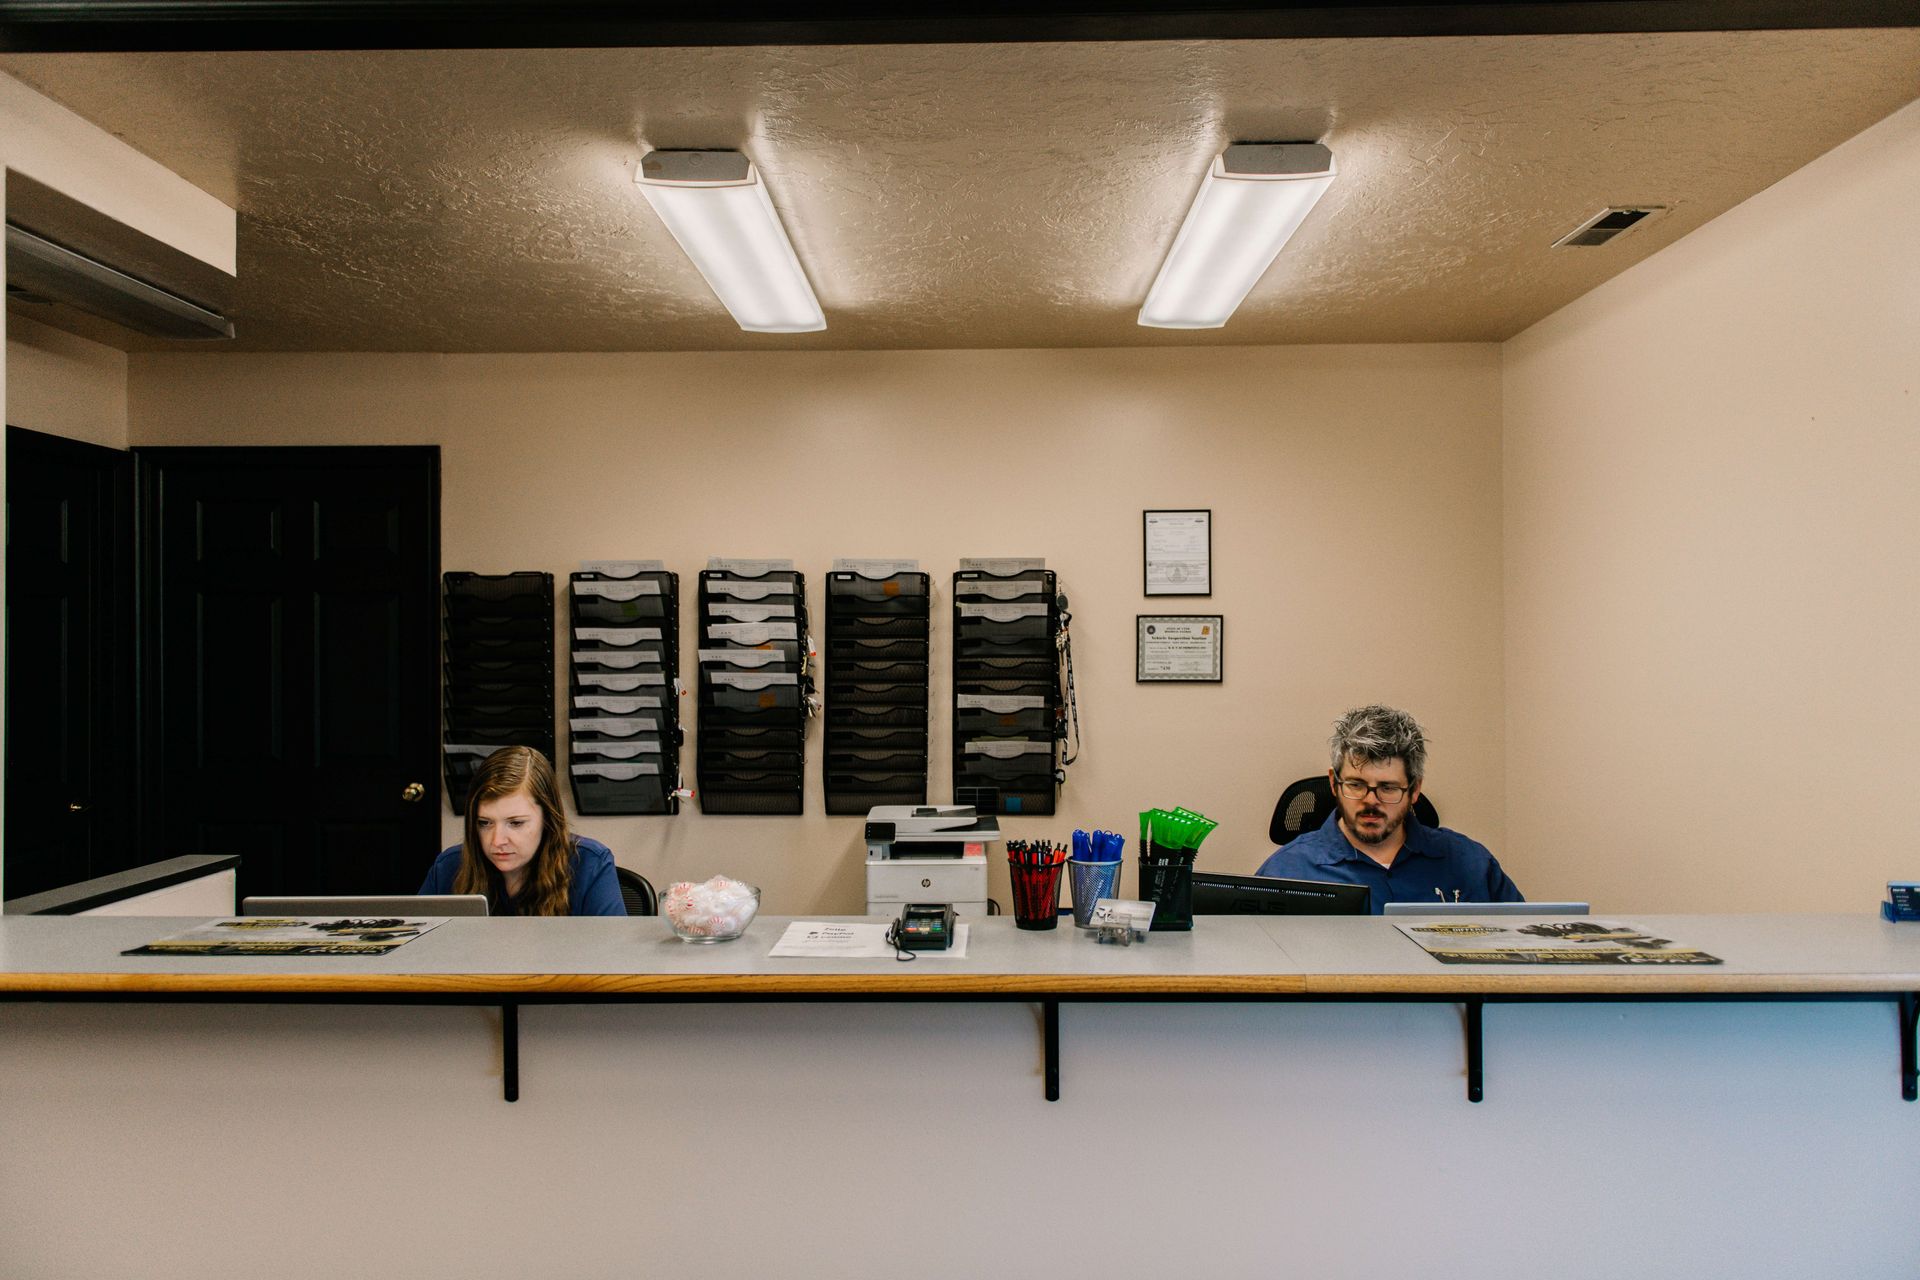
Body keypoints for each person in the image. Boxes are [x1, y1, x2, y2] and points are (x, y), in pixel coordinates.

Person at [1256, 704, 1521, 914]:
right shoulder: (1288, 870)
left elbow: (1523, 945)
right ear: (1334, 784)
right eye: (1357, 785)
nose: (1371, 801)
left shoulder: (1469, 863)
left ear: (1415, 789)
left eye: (1388, 788)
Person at [419, 745, 625, 916]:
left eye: (516, 823)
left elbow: (614, 958)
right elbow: (414, 952)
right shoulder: (450, 866)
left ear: (547, 819)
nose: (497, 840)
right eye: (484, 823)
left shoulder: (590, 863)